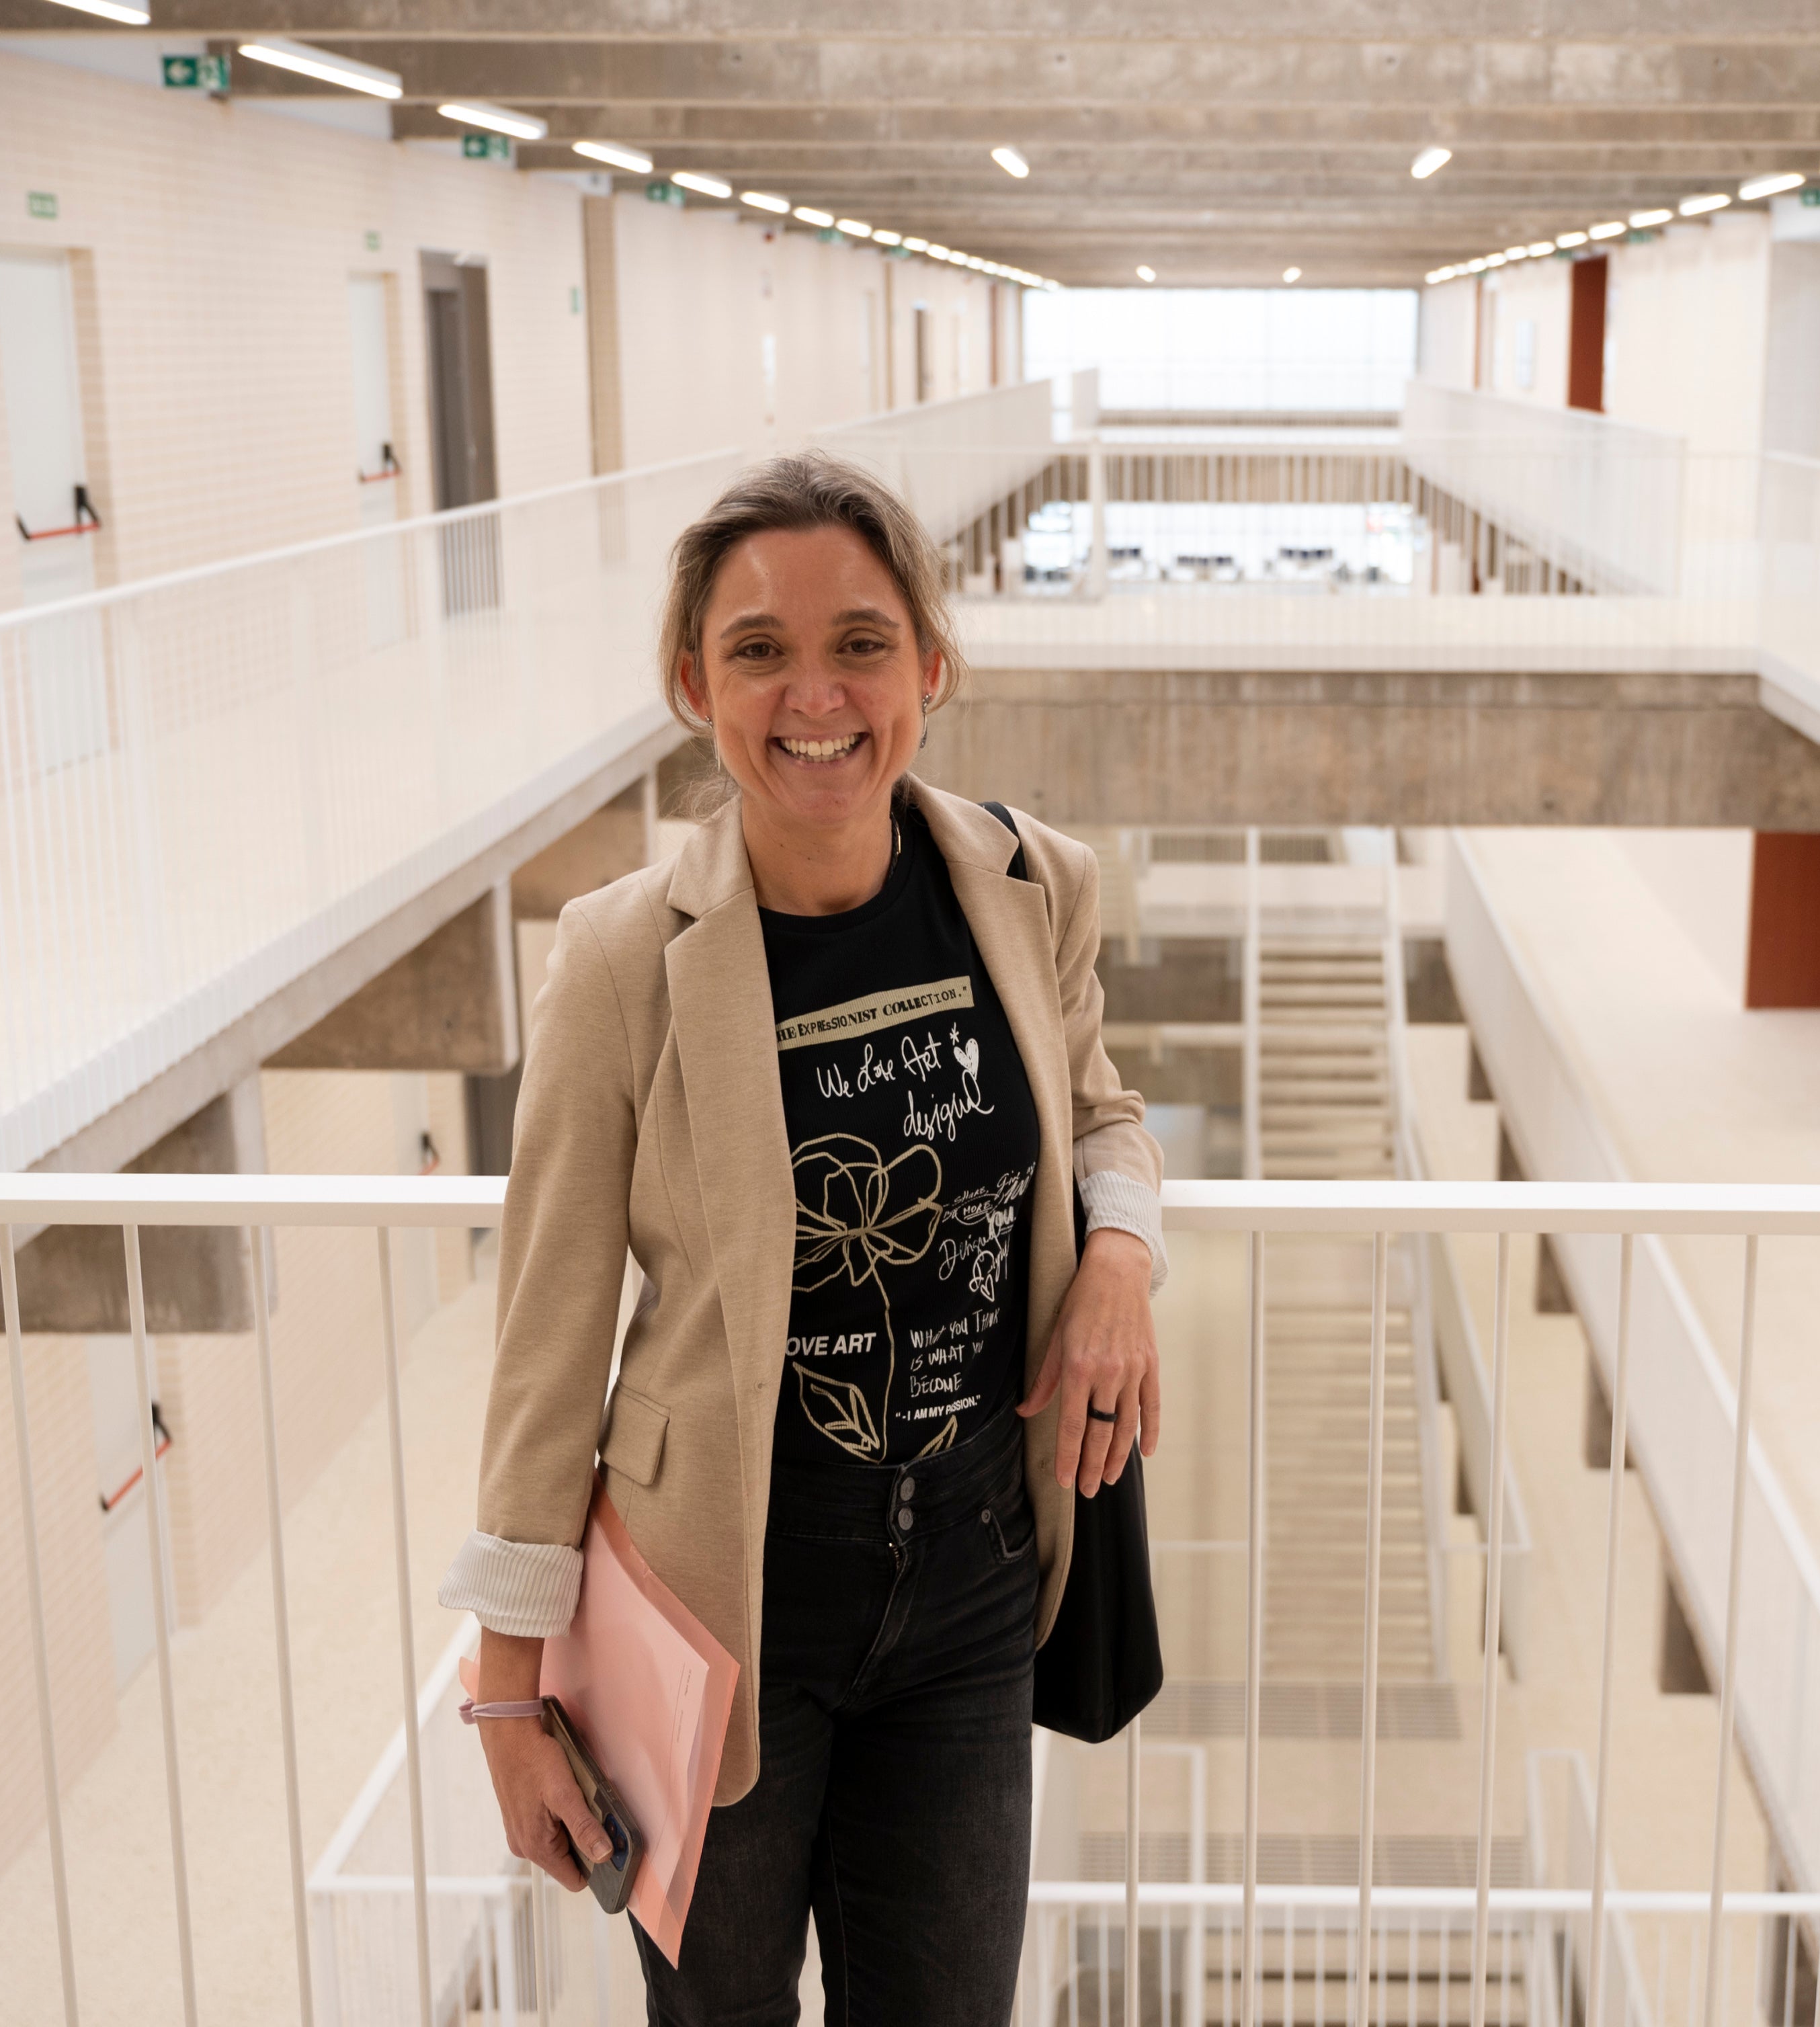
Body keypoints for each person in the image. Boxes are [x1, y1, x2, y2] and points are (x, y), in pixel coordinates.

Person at [440, 451, 1165, 2023]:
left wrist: (1120, 1258)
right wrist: (506, 1684)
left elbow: (1099, 1115)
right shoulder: (626, 958)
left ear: (931, 664)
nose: (812, 693)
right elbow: (549, 1337)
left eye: (860, 641)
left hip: (972, 1574)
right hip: (716, 1595)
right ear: (692, 680)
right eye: (758, 648)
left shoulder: (1032, 887)